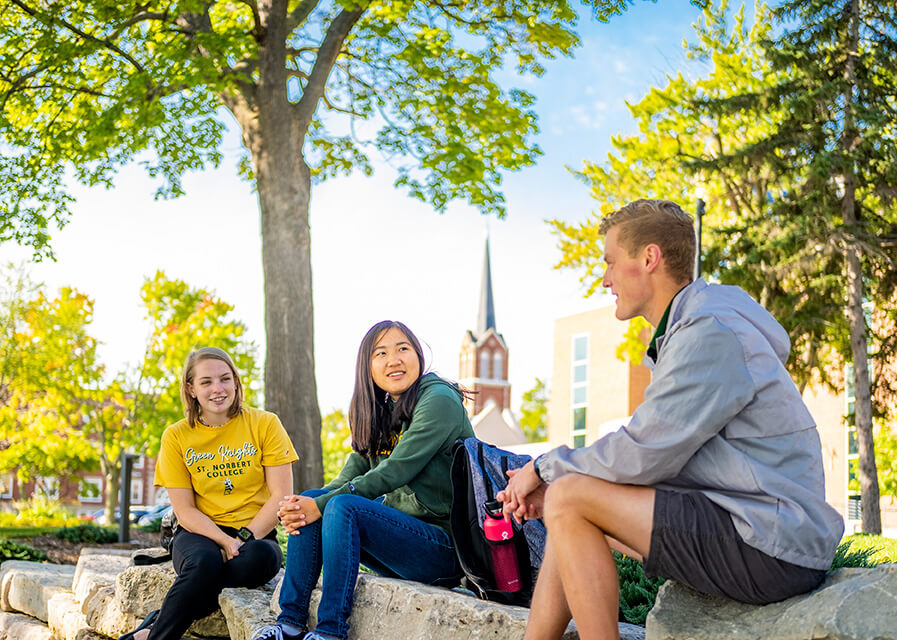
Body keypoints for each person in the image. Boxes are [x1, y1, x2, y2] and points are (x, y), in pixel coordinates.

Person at [498, 199, 844, 640]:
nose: (605, 280)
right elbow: (665, 459)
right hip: (748, 523)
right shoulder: (693, 328)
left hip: (773, 544)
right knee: (568, 510)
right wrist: (555, 489)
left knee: (568, 498)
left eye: (610, 263)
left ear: (648, 258)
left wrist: (543, 468)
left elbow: (641, 452)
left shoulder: (709, 333)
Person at [252, 320, 475, 640]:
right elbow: (345, 479)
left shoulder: (438, 399)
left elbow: (396, 470)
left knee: (343, 506)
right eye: (380, 353)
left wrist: (321, 504)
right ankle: (289, 624)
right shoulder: (380, 412)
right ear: (368, 367)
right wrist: (301, 506)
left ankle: (330, 632)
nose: (393, 360)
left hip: (445, 551)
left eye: (403, 349)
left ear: (418, 355)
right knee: (315, 496)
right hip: (404, 545)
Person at [121, 347, 298, 640]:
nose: (218, 389)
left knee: (264, 559)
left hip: (253, 533)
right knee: (204, 562)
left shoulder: (265, 423)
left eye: (225, 379)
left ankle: (157, 621)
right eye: (206, 382)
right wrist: (223, 542)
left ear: (236, 382)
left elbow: (280, 495)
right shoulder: (176, 435)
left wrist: (240, 539)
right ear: (191, 389)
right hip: (197, 533)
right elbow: (185, 510)